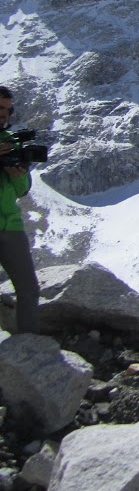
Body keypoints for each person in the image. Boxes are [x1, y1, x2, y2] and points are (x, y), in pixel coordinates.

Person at [0, 86, 40, 334]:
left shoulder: (11, 142)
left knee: (29, 290)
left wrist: (18, 174)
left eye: (7, 109)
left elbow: (22, 190)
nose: (4, 113)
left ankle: (29, 345)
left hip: (11, 226)